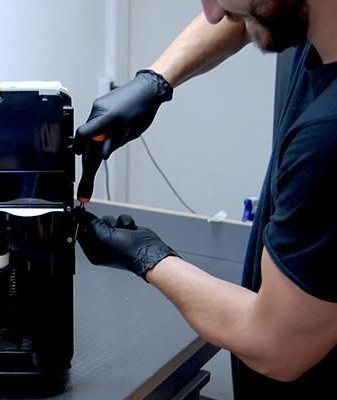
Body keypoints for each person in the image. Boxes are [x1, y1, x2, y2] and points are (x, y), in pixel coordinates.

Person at [73, 1, 337, 398]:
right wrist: (155, 81)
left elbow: (276, 343)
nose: (211, 13)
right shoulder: (315, 18)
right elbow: (253, 14)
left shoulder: (327, 135)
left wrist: (147, 256)